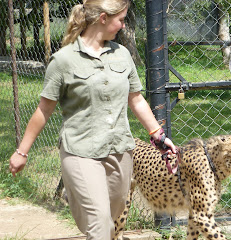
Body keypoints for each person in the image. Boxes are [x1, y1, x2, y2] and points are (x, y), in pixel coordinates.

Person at [9, 0, 176, 239]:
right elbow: (43, 110)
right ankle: (81, 191)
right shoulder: (64, 60)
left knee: (110, 218)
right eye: (120, 19)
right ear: (103, 18)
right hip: (80, 151)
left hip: (119, 150)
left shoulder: (122, 55)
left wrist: (158, 136)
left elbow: (136, 99)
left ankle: (80, 197)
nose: (123, 25)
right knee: (99, 223)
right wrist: (22, 152)